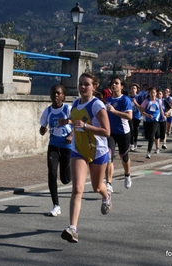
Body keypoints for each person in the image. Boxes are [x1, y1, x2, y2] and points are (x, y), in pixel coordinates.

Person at [61, 72, 111, 243]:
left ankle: (106, 196)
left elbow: (107, 131)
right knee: (77, 189)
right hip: (79, 150)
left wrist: (86, 126)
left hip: (98, 151)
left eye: (86, 84)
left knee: (97, 187)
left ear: (94, 87)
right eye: (80, 83)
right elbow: (75, 121)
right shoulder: (75, 104)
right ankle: (72, 228)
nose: (82, 87)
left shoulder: (97, 105)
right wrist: (67, 122)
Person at [39, 85, 73, 217]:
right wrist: (43, 130)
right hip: (53, 145)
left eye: (58, 93)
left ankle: (70, 176)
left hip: (67, 147)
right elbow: (42, 130)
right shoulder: (47, 111)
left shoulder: (68, 109)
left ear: (63, 96)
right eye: (53, 93)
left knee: (65, 180)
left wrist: (71, 135)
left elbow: (77, 123)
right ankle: (56, 205)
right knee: (52, 174)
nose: (56, 96)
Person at [105, 77, 133, 191]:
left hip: (123, 133)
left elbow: (129, 116)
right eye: (112, 83)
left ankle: (127, 175)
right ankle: (108, 183)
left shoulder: (125, 100)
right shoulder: (108, 100)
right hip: (111, 133)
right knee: (108, 157)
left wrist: (114, 111)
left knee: (124, 157)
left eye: (117, 83)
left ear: (121, 86)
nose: (114, 85)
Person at [135, 87, 165, 159]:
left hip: (155, 121)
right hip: (147, 121)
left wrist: (163, 115)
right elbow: (142, 111)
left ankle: (148, 152)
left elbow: (160, 109)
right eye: (151, 93)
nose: (152, 94)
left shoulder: (159, 101)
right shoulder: (146, 101)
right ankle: (148, 135)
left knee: (152, 136)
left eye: (154, 93)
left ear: (156, 93)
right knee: (147, 136)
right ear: (149, 94)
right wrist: (147, 115)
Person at [129, 83, 142, 151]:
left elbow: (141, 107)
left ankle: (135, 142)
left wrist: (136, 103)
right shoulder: (128, 98)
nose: (133, 90)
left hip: (137, 116)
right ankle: (131, 144)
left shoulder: (139, 97)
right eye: (132, 88)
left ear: (137, 90)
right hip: (130, 116)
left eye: (134, 88)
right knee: (131, 129)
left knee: (136, 130)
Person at [154, 89, 167, 154]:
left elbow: (171, 108)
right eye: (158, 94)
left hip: (163, 120)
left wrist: (167, 113)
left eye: (160, 94)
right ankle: (157, 148)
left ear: (162, 95)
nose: (159, 95)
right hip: (156, 120)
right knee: (157, 134)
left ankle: (164, 143)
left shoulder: (164, 101)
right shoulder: (154, 101)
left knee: (163, 134)